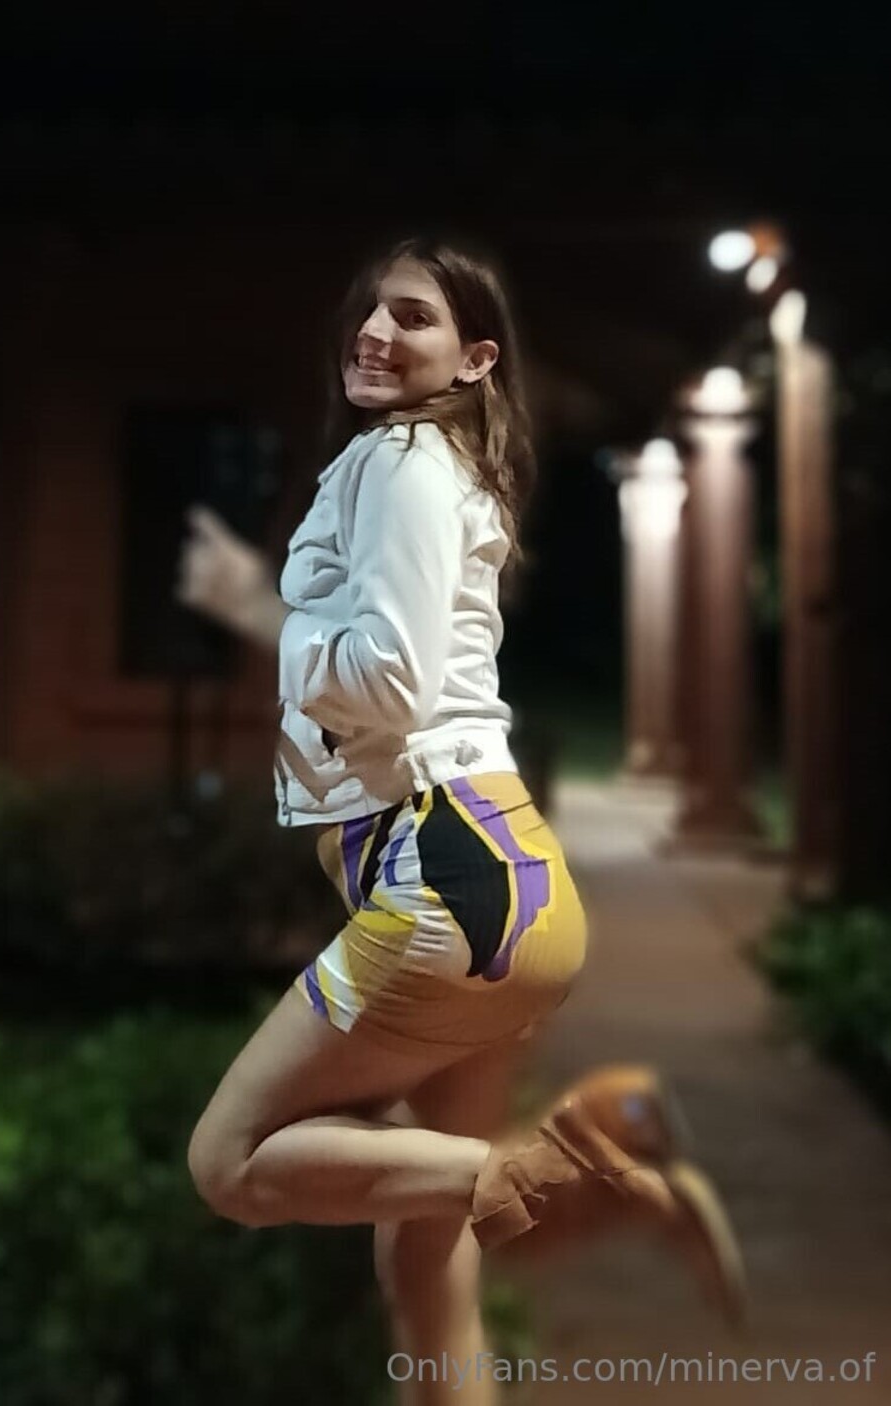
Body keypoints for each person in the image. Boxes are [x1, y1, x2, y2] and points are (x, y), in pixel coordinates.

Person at [178, 235, 747, 1403]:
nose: (374, 332)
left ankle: (580, 1164)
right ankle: (600, 1133)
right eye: (368, 311)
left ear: (477, 357)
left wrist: (264, 616)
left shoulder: (398, 460)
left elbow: (386, 681)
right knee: (426, 1252)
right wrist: (268, 614)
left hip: (445, 883)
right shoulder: (442, 468)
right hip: (501, 879)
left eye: (413, 316)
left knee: (232, 1161)